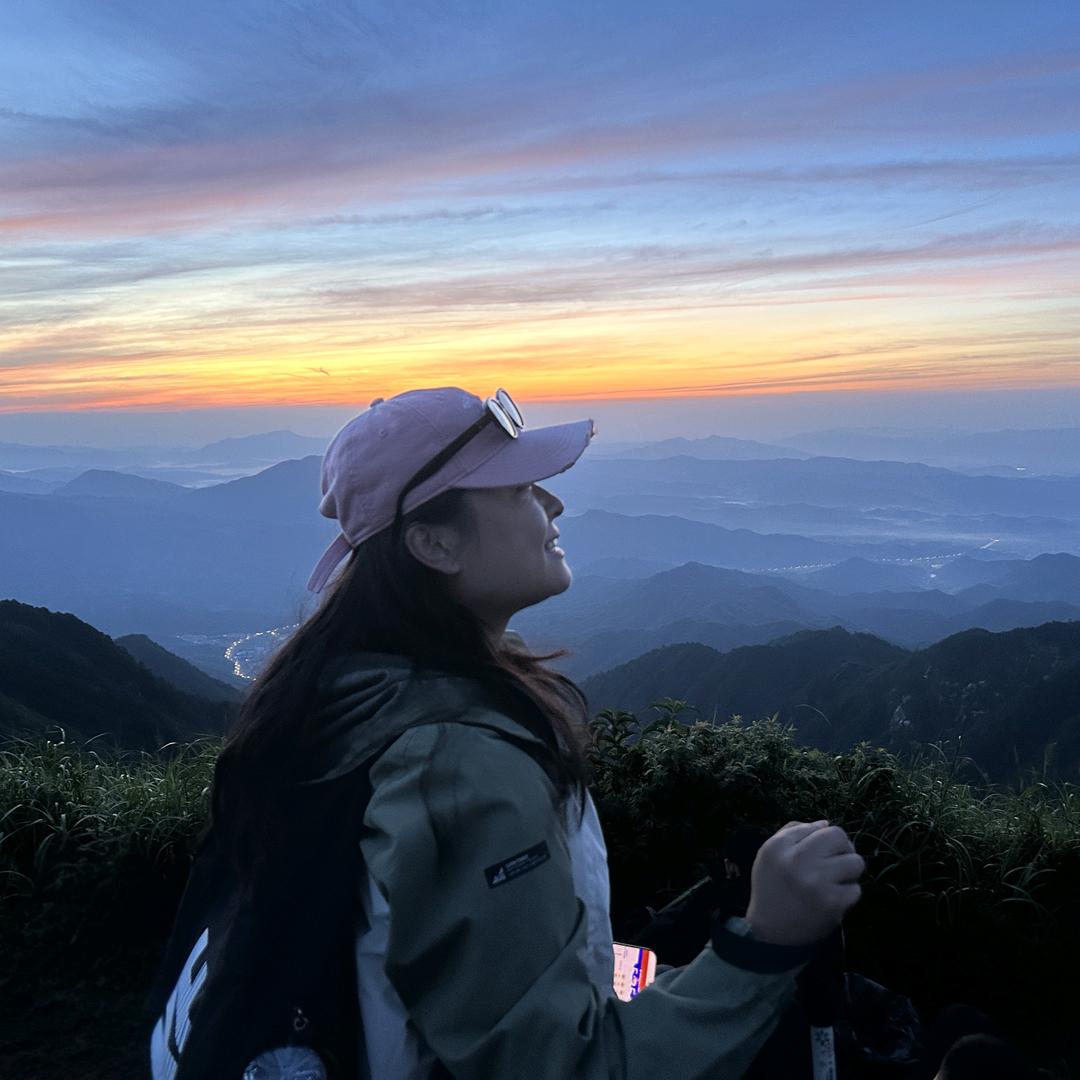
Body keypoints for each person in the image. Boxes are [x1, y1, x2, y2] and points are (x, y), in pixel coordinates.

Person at [149, 386, 866, 1080]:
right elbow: (569, 1068)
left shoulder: (332, 700)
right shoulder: (456, 758)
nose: (552, 501)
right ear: (433, 543)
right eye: (518, 488)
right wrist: (770, 937)